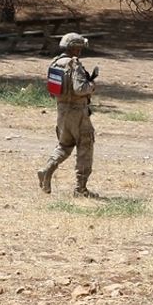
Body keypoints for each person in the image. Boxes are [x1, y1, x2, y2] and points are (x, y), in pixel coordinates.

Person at [37, 32, 99, 197]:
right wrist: (91, 85)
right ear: (76, 49)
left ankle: (46, 170)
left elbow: (52, 91)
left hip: (62, 111)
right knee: (85, 146)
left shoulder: (55, 63)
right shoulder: (74, 64)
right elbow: (80, 89)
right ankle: (81, 189)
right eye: (80, 48)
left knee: (64, 146)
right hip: (78, 112)